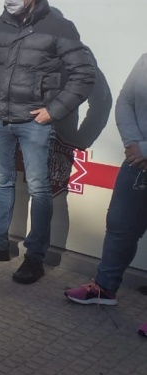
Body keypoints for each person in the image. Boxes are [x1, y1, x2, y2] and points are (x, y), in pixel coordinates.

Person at [0, 0, 95, 284]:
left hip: (34, 123)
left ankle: (34, 258)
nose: (9, 0)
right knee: (2, 181)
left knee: (39, 188)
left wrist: (54, 111)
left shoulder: (58, 28)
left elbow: (84, 75)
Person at [64, 54, 147, 333]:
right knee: (120, 226)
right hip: (138, 162)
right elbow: (126, 101)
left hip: (142, 155)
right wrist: (134, 144)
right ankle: (105, 289)